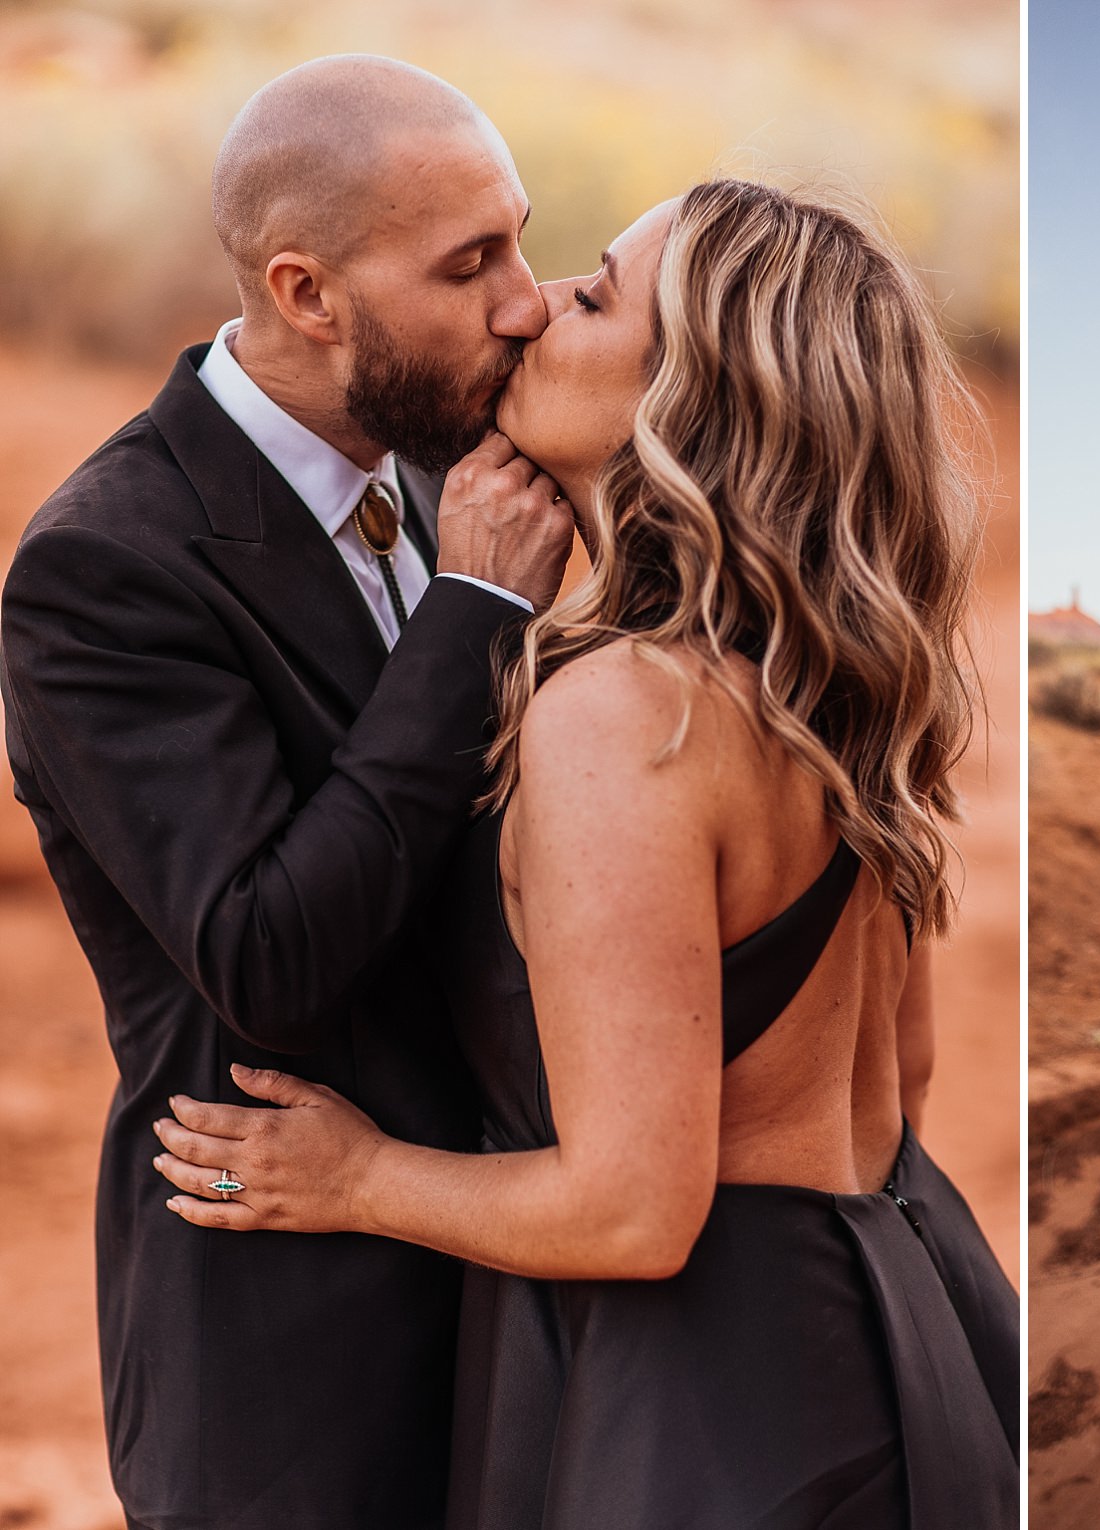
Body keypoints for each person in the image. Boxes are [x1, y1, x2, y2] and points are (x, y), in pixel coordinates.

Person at [152, 181, 1020, 1527]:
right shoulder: (832, 694)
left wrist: (356, 1175)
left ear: (695, 401)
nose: (536, 303)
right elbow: (896, 1080)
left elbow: (634, 1211)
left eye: (598, 296)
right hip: (917, 1320)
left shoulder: (624, 713)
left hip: (712, 1407)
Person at [0, 58, 573, 1530]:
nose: (525, 300)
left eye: (519, 238)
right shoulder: (104, 569)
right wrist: (469, 616)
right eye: (471, 265)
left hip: (521, 1294)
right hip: (289, 1366)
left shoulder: (456, 479)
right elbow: (268, 953)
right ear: (309, 293)